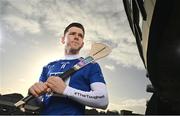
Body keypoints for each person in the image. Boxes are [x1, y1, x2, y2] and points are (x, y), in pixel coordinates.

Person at [29, 22, 109, 115]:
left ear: (82, 44)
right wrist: (32, 93)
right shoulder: (48, 66)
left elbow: (103, 100)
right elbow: (37, 104)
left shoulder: (91, 65)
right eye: (72, 34)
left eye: (80, 35)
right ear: (63, 39)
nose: (76, 37)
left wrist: (65, 90)